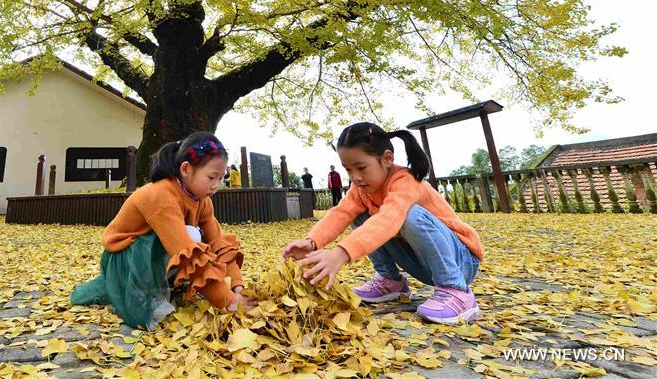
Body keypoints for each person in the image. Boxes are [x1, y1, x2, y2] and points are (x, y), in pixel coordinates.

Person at [282, 122, 484, 325]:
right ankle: (391, 281)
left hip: (461, 261)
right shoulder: (361, 189)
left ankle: (457, 290)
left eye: (361, 167)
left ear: (387, 158)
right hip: (424, 265)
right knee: (360, 215)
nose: (355, 177)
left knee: (407, 214)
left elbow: (389, 219)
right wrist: (312, 242)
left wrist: (340, 254)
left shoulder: (405, 181)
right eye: (348, 170)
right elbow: (341, 213)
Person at [71, 132, 254, 329]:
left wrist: (237, 286)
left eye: (221, 178)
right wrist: (227, 301)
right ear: (186, 169)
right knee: (191, 236)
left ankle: (169, 284)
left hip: (155, 250)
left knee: (196, 236)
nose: (216, 185)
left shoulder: (202, 200)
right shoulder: (162, 196)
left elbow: (219, 243)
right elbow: (185, 252)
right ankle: (143, 291)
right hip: (126, 257)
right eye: (211, 177)